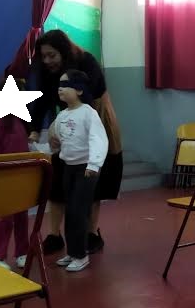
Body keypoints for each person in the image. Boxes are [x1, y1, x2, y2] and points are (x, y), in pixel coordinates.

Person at [27, 30, 123, 256]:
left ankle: (91, 234)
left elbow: (86, 99)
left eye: (52, 55)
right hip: (68, 124)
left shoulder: (86, 62)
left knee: (93, 183)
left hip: (96, 118)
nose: (47, 61)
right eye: (44, 56)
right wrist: (35, 130)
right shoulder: (48, 72)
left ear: (64, 52)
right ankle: (54, 235)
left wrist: (60, 123)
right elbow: (42, 100)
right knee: (57, 181)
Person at [44, 70, 108, 272]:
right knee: (70, 211)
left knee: (79, 211)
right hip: (68, 169)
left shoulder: (88, 113)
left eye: (66, 85)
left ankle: (81, 255)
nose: (60, 89)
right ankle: (72, 252)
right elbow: (59, 140)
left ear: (79, 90)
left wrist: (93, 164)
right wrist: (47, 149)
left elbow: (98, 139)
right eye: (59, 85)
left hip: (85, 169)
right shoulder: (62, 115)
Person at [0, 77, 30, 271]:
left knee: (21, 217)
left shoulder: (19, 121)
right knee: (5, 217)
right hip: (4, 178)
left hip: (22, 177)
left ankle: (22, 252)